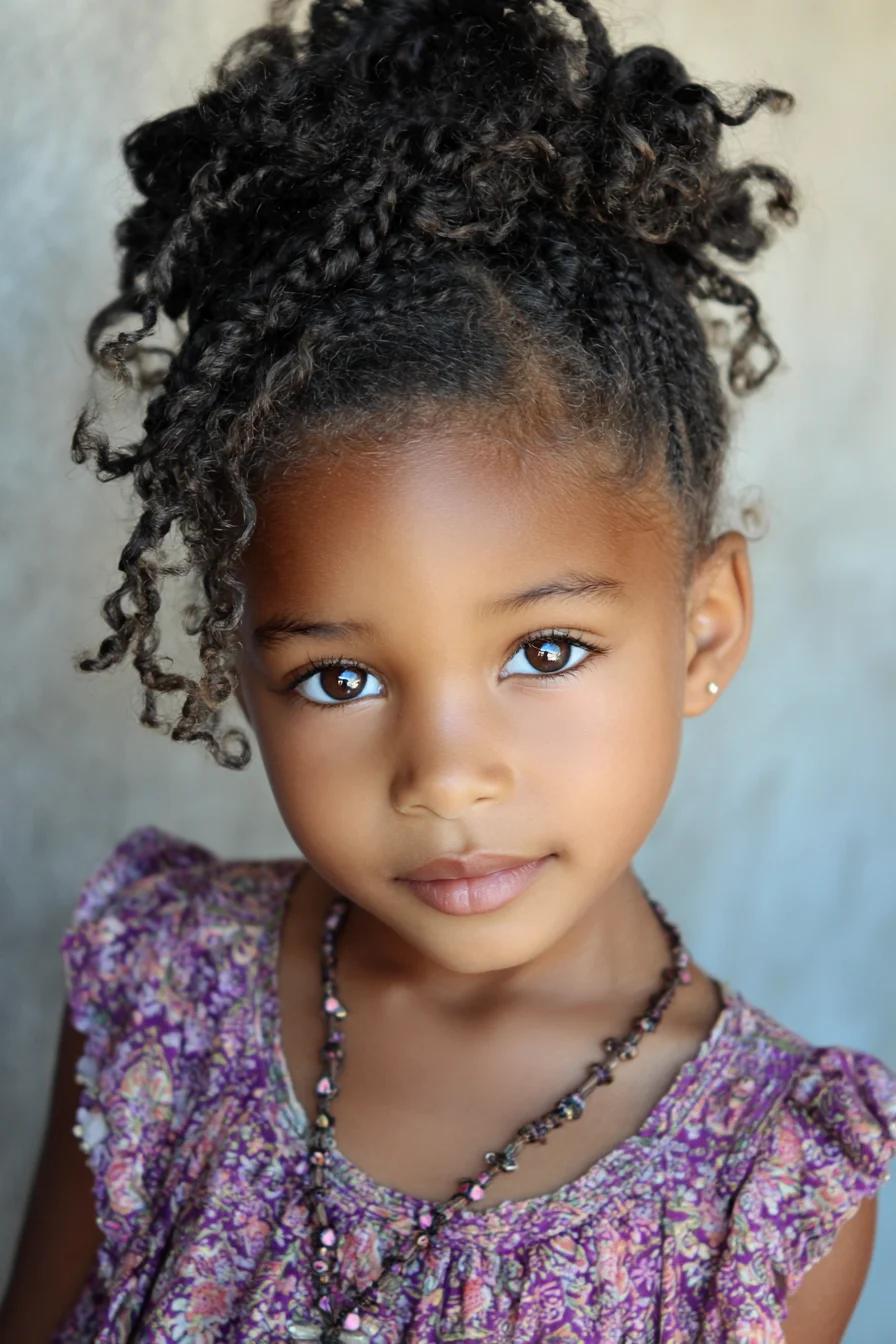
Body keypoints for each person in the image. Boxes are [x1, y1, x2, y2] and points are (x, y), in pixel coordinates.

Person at [2, 0, 894, 1339]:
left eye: (546, 651)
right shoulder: (159, 985)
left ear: (703, 631)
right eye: (339, 679)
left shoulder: (768, 1186)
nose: (445, 776)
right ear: (241, 663)